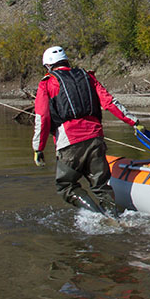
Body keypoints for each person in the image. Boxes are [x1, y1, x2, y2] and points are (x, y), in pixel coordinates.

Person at [32, 46, 139, 216]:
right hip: (96, 138)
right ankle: (114, 219)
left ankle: (97, 217)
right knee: (102, 187)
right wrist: (133, 121)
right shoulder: (87, 77)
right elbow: (109, 102)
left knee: (66, 186)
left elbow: (42, 118)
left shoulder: (47, 83)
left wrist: (38, 148)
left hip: (69, 143)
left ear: (48, 66)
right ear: (66, 61)